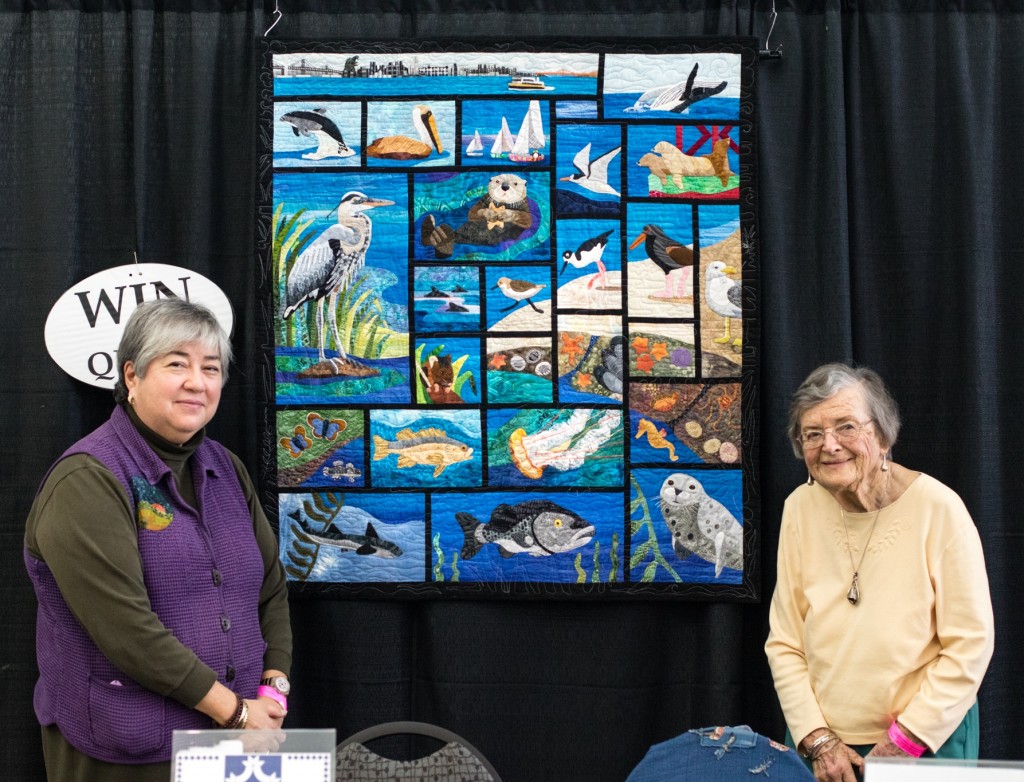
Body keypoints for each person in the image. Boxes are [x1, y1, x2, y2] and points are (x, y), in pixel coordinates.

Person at [24, 298, 292, 781]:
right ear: (131, 376)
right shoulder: (87, 479)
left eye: (211, 368)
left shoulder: (225, 467)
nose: (197, 381)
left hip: (243, 736)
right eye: (177, 364)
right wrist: (234, 712)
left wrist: (273, 686)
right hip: (126, 751)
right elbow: (127, 631)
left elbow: (268, 587)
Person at [765, 363, 994, 782]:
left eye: (846, 426)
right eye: (812, 433)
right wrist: (818, 739)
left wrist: (905, 741)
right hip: (822, 747)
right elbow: (785, 641)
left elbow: (970, 646)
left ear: (884, 435)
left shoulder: (938, 509)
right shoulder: (799, 508)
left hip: (926, 741)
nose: (829, 445)